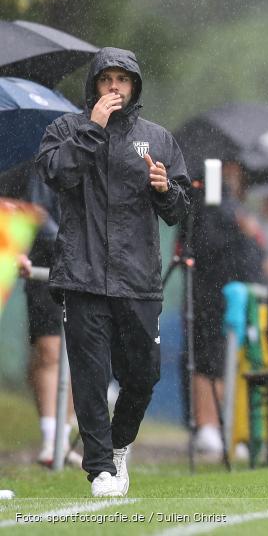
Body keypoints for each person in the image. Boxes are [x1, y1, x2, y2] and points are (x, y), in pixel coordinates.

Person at [35, 47, 190, 497]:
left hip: (138, 277)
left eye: (123, 80)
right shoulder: (66, 129)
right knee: (89, 375)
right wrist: (93, 128)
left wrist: (164, 189)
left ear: (135, 85)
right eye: (108, 80)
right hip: (80, 276)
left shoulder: (158, 138)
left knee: (144, 374)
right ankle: (100, 468)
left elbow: (179, 209)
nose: (115, 88)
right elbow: (58, 174)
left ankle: (118, 447)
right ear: (95, 85)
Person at [185, 161, 266, 456]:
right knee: (210, 360)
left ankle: (229, 427)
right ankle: (207, 425)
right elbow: (204, 245)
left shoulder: (235, 205)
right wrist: (239, 231)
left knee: (232, 360)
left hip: (240, 295)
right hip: (211, 294)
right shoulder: (207, 203)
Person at [16, 172, 81, 468]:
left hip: (85, 267)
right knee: (49, 350)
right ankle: (49, 439)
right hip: (46, 265)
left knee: (76, 354)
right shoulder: (41, 164)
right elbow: (37, 213)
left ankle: (62, 440)